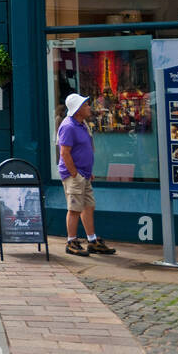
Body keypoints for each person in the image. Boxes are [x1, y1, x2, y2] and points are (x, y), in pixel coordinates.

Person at [58, 92, 116, 257]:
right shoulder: (68, 126)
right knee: (74, 209)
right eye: (85, 105)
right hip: (75, 175)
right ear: (77, 110)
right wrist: (75, 174)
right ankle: (71, 241)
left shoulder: (81, 124)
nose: (89, 107)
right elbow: (65, 153)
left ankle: (92, 240)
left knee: (88, 206)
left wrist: (87, 172)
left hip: (84, 174)